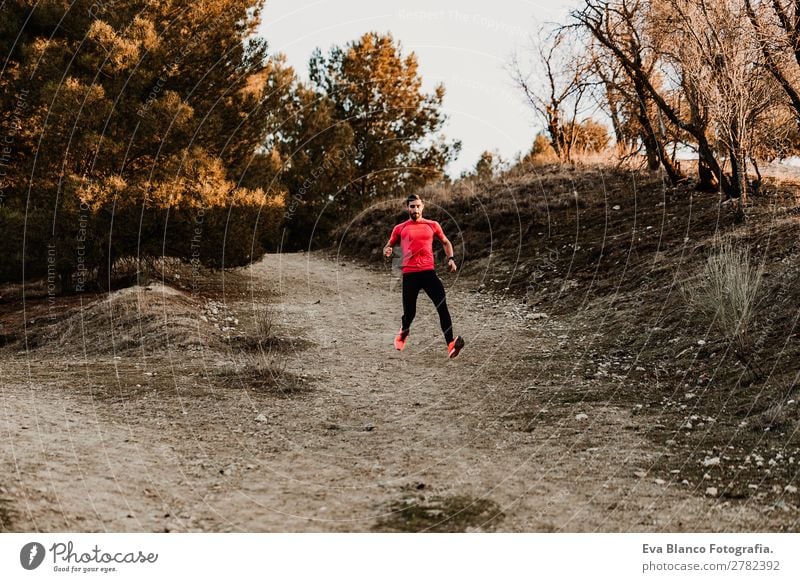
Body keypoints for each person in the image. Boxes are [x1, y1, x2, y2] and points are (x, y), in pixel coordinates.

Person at [383, 194, 464, 358]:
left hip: (428, 273)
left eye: (418, 206)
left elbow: (446, 242)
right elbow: (389, 244)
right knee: (410, 313)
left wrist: (451, 259)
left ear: (423, 206)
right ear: (407, 208)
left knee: (442, 306)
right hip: (410, 275)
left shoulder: (432, 225)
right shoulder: (400, 228)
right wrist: (387, 250)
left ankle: (450, 344)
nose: (415, 209)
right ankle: (404, 331)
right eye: (412, 206)